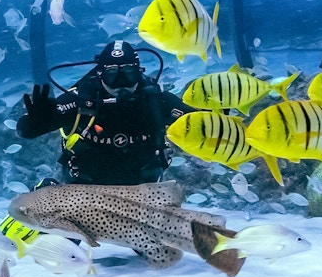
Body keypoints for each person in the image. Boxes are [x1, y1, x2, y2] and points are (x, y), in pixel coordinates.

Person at [17, 40, 195, 185]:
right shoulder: (80, 100)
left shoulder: (156, 100)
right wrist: (37, 122)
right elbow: (26, 131)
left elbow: (199, 121)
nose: (121, 82)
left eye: (128, 73)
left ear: (139, 73)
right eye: (111, 74)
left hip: (145, 191)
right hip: (84, 189)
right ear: (100, 75)